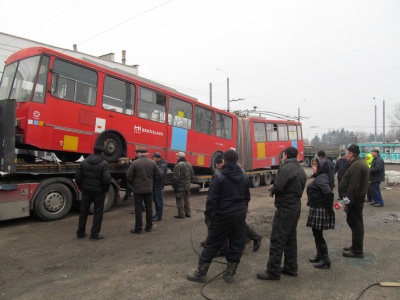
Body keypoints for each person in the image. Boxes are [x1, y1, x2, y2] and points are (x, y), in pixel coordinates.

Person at [187, 149, 250, 284]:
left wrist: (209, 216)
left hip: (223, 215)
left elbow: (211, 200)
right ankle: (229, 274)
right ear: (236, 160)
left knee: (212, 243)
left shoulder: (219, 176)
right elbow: (247, 197)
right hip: (239, 214)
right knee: (237, 243)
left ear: (224, 161)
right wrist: (243, 211)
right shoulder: (244, 174)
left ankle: (200, 273)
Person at [257, 146, 307, 280]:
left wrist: (272, 187)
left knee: (277, 239)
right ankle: (291, 267)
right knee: (290, 238)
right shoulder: (300, 169)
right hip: (295, 206)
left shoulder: (286, 169)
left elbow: (279, 186)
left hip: (285, 208)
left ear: (285, 155)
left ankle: (273, 271)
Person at [338, 144, 369, 258]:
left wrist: (347, 203)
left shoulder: (357, 166)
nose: (346, 155)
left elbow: (353, 187)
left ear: (351, 154)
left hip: (355, 200)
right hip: (356, 199)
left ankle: (357, 250)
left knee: (356, 224)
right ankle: (355, 246)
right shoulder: (358, 163)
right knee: (355, 223)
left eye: (347, 153)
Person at [76, 146, 111, 240]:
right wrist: (105, 189)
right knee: (98, 212)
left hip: (86, 191)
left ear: (93, 151)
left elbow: (78, 177)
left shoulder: (84, 162)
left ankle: (80, 232)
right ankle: (94, 234)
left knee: (83, 211)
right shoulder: (104, 164)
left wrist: (82, 188)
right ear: (101, 153)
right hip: (99, 191)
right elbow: (107, 179)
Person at [306, 158, 335, 269]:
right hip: (317, 207)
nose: (313, 167)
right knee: (316, 234)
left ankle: (325, 259)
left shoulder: (321, 178)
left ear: (320, 168)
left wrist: (327, 208)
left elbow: (328, 193)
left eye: (315, 166)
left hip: (319, 209)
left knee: (318, 235)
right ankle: (320, 255)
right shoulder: (320, 177)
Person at [126, 148, 161, 234]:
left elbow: (128, 176)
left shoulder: (134, 163)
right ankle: (149, 227)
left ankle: (138, 228)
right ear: (146, 154)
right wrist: (152, 182)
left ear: (138, 154)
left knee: (138, 209)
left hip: (138, 189)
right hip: (149, 189)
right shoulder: (152, 163)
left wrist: (133, 184)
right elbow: (159, 174)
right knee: (149, 208)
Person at [171, 152, 194, 219]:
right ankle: (188, 213)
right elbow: (192, 175)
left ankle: (181, 214)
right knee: (186, 200)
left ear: (179, 157)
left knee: (180, 200)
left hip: (179, 187)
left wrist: (174, 185)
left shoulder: (177, 165)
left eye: (177, 156)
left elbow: (176, 178)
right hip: (187, 186)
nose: (176, 157)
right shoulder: (189, 164)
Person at [152, 152, 168, 221]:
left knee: (159, 201)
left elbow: (160, 174)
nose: (152, 159)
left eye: (153, 158)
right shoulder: (157, 164)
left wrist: (152, 174)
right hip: (155, 184)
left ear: (157, 158)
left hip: (158, 185)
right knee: (155, 200)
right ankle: (157, 214)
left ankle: (159, 216)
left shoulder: (162, 165)